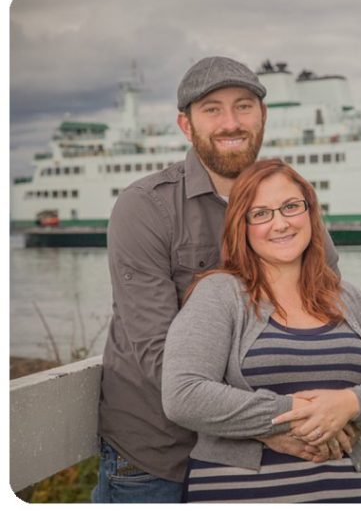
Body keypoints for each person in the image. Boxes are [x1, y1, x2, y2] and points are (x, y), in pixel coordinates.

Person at [94, 56, 340, 503]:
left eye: (244, 106)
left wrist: (332, 410)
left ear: (263, 116)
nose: (231, 122)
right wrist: (268, 424)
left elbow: (327, 315)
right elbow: (158, 353)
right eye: (212, 109)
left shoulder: (296, 205)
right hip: (162, 458)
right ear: (186, 126)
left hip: (275, 448)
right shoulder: (146, 209)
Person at [162, 159, 361, 502]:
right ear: (242, 225)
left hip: (340, 496)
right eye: (261, 213)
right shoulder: (220, 294)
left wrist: (351, 402)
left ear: (310, 213)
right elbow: (183, 395)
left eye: (290, 207)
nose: (279, 223)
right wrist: (294, 415)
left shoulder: (348, 297)